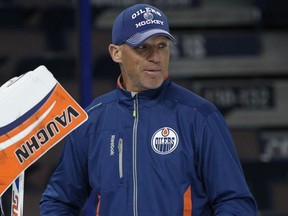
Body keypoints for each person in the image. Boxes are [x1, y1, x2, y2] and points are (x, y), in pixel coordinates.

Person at [40, 3, 257, 215]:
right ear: (116, 53)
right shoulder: (93, 119)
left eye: (162, 46)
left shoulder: (199, 115)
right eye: (142, 47)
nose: (155, 57)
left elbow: (236, 202)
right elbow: (58, 201)